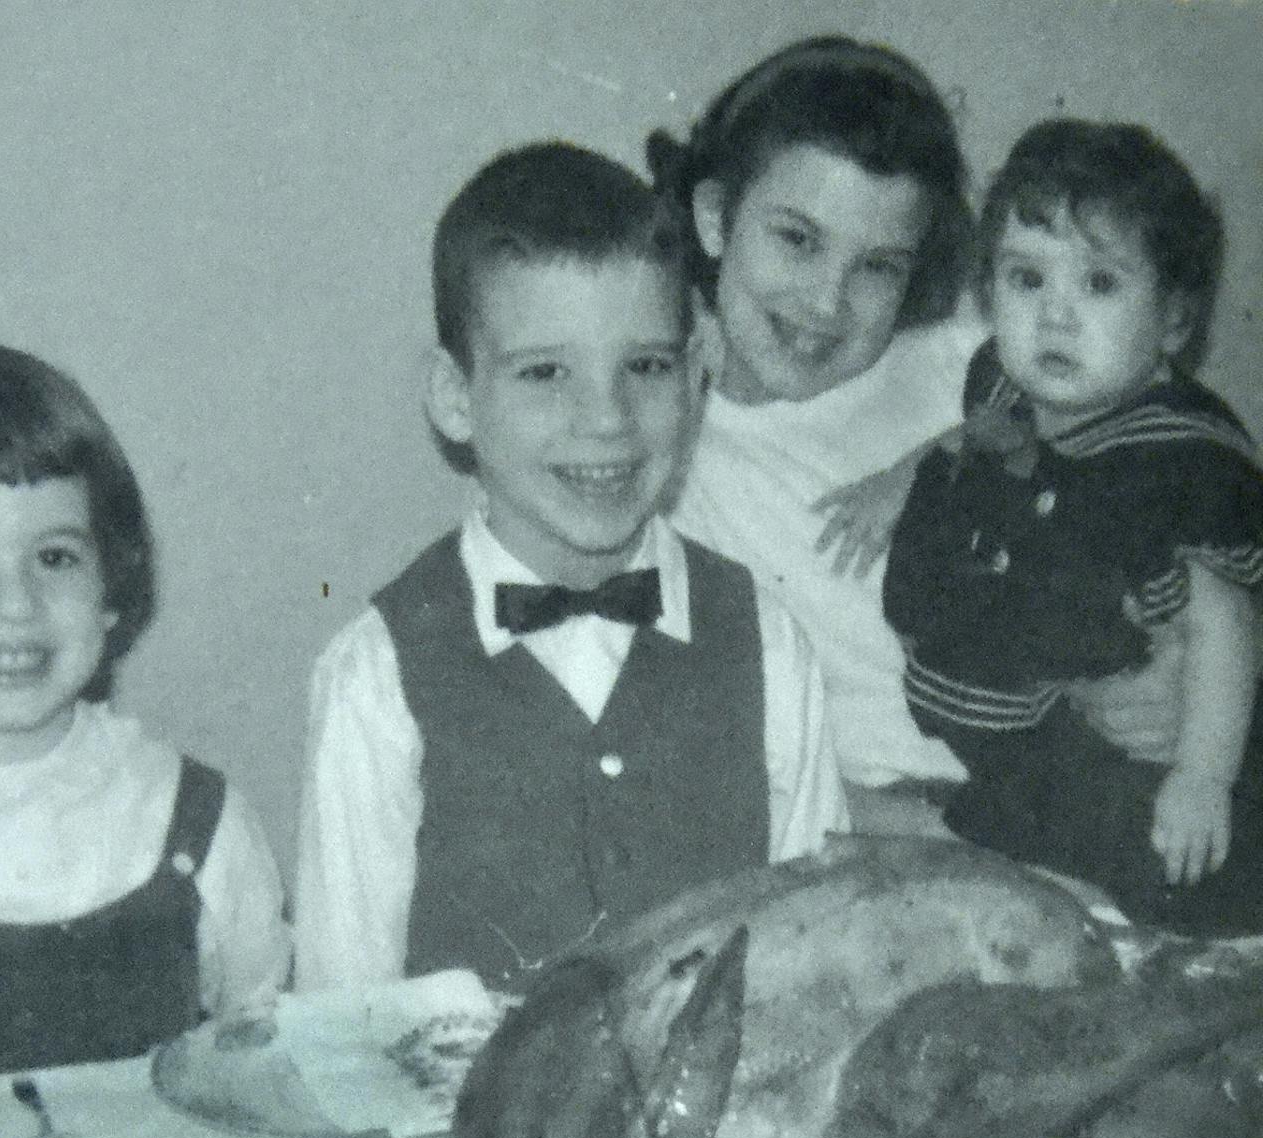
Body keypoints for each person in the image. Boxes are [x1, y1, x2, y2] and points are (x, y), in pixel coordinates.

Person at [294, 141, 847, 992]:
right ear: (454, 398)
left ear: (697, 380)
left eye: (647, 367)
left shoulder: (769, 645)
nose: (608, 420)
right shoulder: (377, 676)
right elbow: (345, 1017)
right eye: (546, 373)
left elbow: (816, 970)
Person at [0, 343, 288, 1080]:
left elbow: (259, 1057)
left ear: (111, 585)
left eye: (55, 557)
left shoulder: (197, 821)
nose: (15, 604)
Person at [883, 121, 1263, 935]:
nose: (1055, 315)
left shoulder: (1169, 461)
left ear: (1172, 324)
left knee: (1178, 873)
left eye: (1099, 285)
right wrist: (893, 482)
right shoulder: (1013, 394)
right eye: (1026, 279)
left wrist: (1203, 778)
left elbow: (1223, 620)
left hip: (1184, 754)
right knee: (1017, 841)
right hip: (1053, 741)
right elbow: (986, 439)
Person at [652, 35, 979, 820]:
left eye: (878, 266)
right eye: (797, 239)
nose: (828, 302)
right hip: (872, 836)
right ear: (713, 219)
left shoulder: (965, 365)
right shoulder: (670, 456)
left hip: (1081, 808)